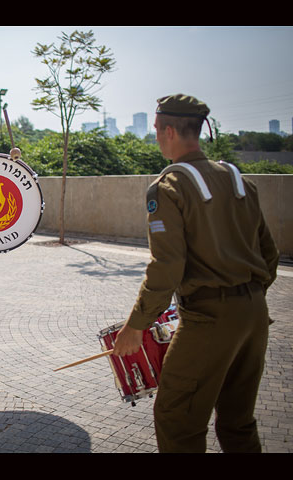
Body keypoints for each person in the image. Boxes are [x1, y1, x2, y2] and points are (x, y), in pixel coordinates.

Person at [113, 94, 279, 453]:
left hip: (208, 319)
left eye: (157, 130)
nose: (155, 136)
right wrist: (247, 296)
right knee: (238, 422)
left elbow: (167, 267)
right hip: (254, 315)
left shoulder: (168, 187)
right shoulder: (238, 180)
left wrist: (136, 326)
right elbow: (269, 254)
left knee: (177, 420)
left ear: (169, 130)